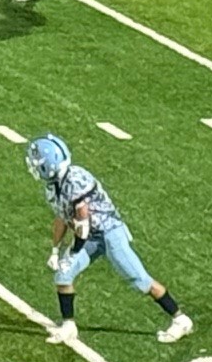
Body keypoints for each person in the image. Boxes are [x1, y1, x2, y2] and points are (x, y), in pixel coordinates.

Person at [24, 135, 193, 346]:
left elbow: (83, 221)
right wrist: (55, 251)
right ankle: (69, 326)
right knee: (63, 276)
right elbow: (61, 218)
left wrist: (74, 251)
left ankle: (180, 319)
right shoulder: (52, 186)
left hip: (109, 232)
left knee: (139, 279)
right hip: (88, 236)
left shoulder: (76, 180)